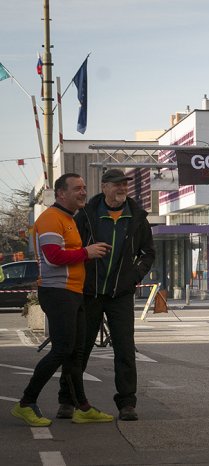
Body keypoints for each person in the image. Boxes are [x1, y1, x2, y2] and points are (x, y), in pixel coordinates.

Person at [10, 173, 113, 427]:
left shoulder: (68, 219)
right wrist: (87, 252)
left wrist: (86, 253)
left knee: (75, 353)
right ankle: (25, 403)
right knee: (62, 350)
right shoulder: (50, 218)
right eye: (77, 188)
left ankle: (82, 408)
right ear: (61, 193)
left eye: (84, 187)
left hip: (72, 293)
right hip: (58, 293)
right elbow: (53, 256)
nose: (83, 192)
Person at [56, 168, 156, 422]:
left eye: (125, 184)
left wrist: (134, 276)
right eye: (116, 184)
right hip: (89, 292)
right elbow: (72, 247)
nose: (122, 188)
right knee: (80, 348)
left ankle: (127, 403)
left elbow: (148, 253)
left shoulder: (136, 217)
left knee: (125, 350)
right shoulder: (87, 215)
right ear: (104, 187)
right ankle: (67, 399)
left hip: (120, 294)